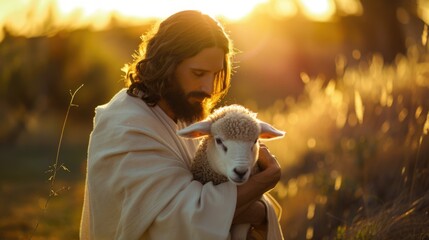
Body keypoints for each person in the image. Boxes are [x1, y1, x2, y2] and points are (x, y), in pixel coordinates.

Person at [80, 10, 284, 240]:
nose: (208, 88)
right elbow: (176, 219)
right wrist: (262, 186)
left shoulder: (183, 117)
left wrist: (256, 209)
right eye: (198, 73)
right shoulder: (124, 125)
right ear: (166, 63)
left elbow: (203, 200)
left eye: (215, 74)